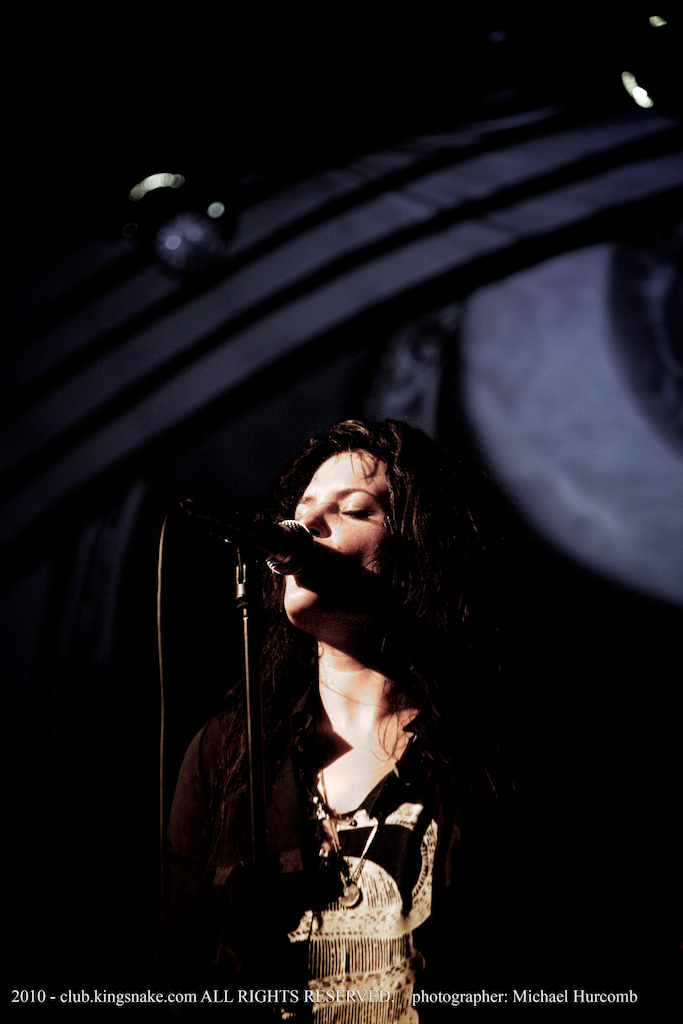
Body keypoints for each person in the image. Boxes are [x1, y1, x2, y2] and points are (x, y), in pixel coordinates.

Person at [164, 419, 515, 1020]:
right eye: (302, 511)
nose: (306, 525)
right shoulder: (226, 755)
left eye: (351, 509)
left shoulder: (494, 748)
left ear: (419, 547)